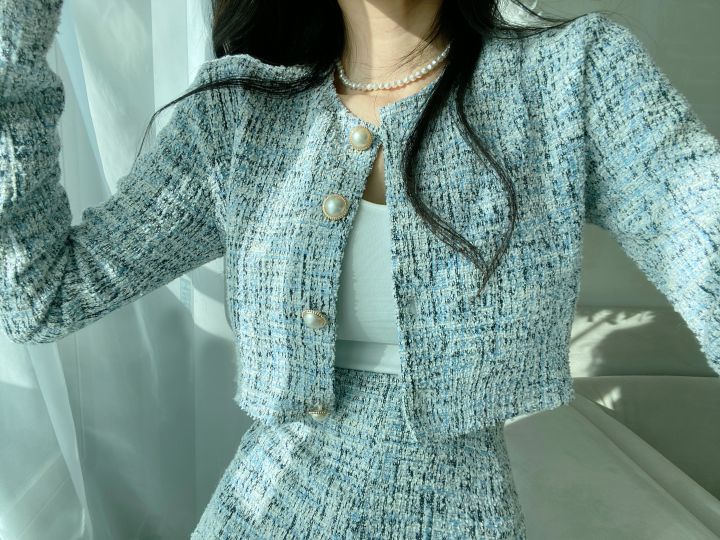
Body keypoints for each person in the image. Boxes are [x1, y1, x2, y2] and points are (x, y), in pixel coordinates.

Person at [2, 0, 718, 538]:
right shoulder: (237, 117)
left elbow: (701, 232)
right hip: (258, 513)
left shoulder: (572, 77)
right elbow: (42, 297)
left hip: (457, 516)